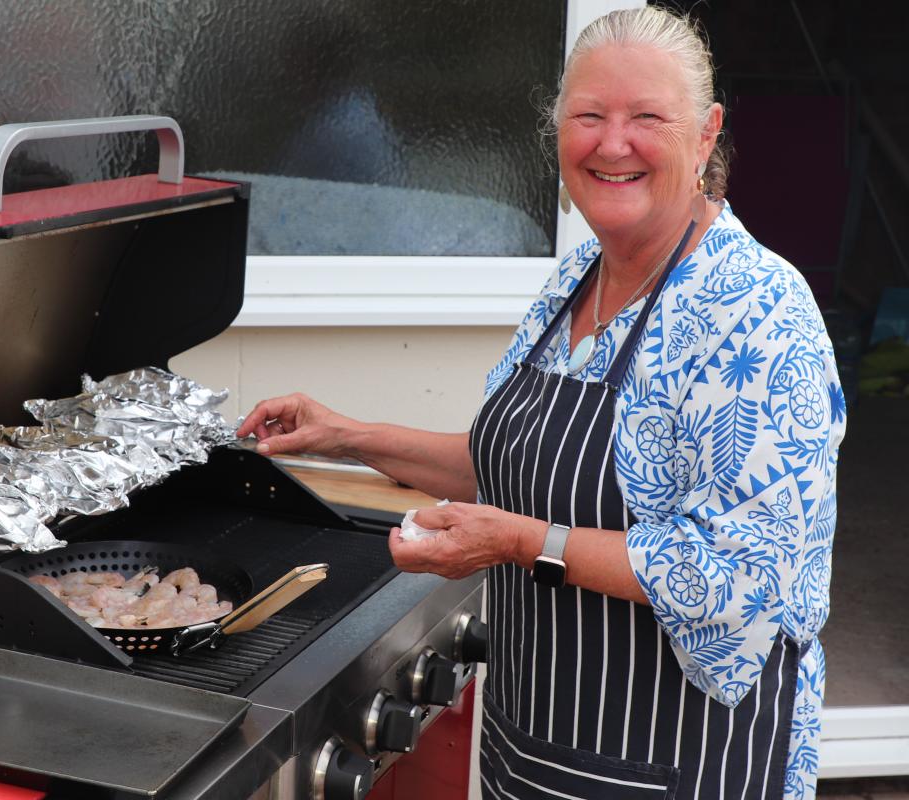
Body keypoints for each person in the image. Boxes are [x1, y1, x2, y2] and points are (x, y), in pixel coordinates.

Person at [236, 6, 845, 800]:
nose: (611, 142)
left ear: (705, 135)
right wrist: (345, 435)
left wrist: (519, 543)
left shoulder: (758, 311)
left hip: (683, 763)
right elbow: (514, 464)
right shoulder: (577, 281)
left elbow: (734, 575)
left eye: (647, 118)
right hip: (535, 748)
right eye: (589, 116)